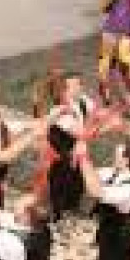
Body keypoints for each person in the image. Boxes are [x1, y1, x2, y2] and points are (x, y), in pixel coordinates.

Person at [46, 73, 96, 221]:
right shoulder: (60, 110)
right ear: (64, 90)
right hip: (61, 150)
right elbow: (80, 132)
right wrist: (99, 126)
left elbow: (95, 112)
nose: (79, 87)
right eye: (74, 85)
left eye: (79, 84)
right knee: (60, 178)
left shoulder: (83, 101)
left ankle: (73, 205)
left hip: (77, 147)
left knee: (78, 177)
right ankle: (56, 211)